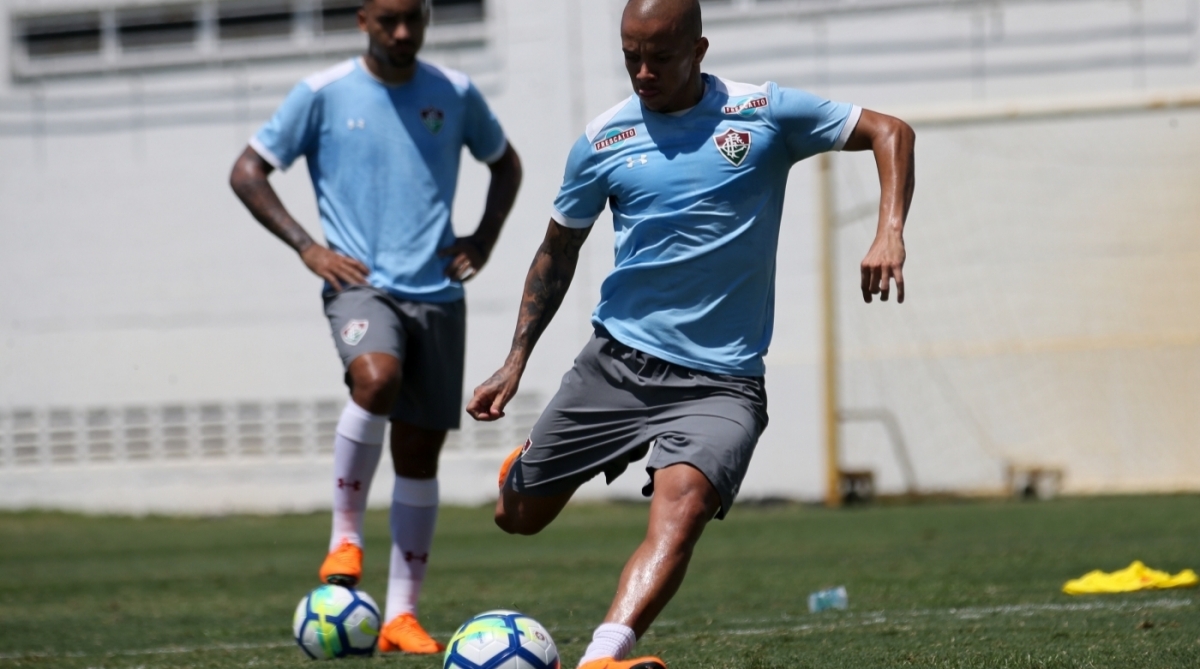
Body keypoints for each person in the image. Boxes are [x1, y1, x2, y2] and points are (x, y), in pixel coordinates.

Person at [466, 0, 912, 667]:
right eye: (631, 58)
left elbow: (890, 131)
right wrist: (514, 361)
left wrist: (889, 231)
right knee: (517, 516)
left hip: (722, 383)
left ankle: (602, 656)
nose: (644, 72)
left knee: (685, 508)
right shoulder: (602, 141)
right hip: (616, 366)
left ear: (699, 51)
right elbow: (557, 253)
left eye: (661, 57)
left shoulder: (762, 113)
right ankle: (526, 468)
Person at [229, 0, 521, 654]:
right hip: (360, 286)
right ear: (363, 18)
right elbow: (247, 171)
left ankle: (400, 618)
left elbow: (506, 163)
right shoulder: (321, 94)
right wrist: (308, 247)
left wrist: (484, 237)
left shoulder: (455, 92)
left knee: (418, 456)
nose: (403, 32)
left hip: (438, 293)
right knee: (376, 378)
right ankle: (345, 538)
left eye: (414, 18)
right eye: (389, 19)